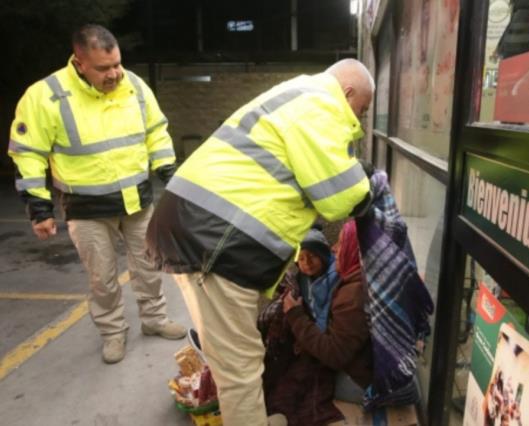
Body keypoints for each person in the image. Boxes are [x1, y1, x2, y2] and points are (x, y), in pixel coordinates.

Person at [146, 58, 375, 425]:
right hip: (214, 243)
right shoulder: (322, 104)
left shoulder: (300, 94)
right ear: (348, 93)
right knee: (239, 366)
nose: (359, 121)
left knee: (237, 356)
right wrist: (366, 184)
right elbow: (340, 198)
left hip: (205, 232)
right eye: (361, 110)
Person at [7, 24, 186, 364]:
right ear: (79, 62)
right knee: (102, 278)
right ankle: (113, 333)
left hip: (136, 200)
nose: (115, 73)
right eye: (104, 68)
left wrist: (169, 175)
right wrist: (39, 209)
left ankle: (155, 319)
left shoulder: (134, 85)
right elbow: (27, 153)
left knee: (149, 266)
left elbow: (156, 132)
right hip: (86, 208)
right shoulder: (46, 95)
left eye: (117, 63)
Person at [261, 221, 371, 426]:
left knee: (304, 379)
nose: (334, 248)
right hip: (327, 345)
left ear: (354, 251)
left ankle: (281, 408)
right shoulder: (339, 280)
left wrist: (295, 315)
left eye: (341, 244)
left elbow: (333, 354)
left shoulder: (351, 293)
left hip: (347, 370)